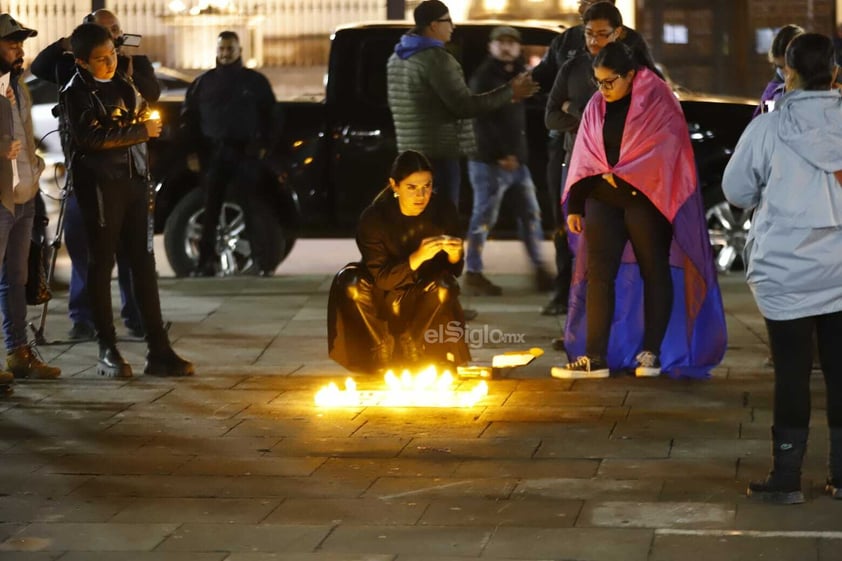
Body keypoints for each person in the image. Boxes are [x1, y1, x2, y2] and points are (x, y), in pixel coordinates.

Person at [551, 42, 726, 380]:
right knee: (599, 274)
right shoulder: (596, 106)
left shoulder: (658, 100)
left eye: (609, 81)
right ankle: (595, 357)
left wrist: (629, 178)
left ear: (630, 75)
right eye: (598, 82)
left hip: (647, 200)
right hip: (602, 200)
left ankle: (651, 352)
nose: (603, 89)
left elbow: (668, 152)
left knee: (654, 270)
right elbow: (585, 156)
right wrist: (575, 203)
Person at [723, 33, 842, 504]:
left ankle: (788, 476)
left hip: (786, 269)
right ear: (834, 74)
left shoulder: (767, 129)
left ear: (787, 73)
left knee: (791, 372)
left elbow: (736, 191)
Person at [60, 22, 193, 378]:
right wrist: (138, 131)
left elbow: (142, 110)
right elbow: (88, 138)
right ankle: (107, 346)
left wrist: (146, 134)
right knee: (101, 265)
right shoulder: (76, 91)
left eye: (112, 54)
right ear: (82, 62)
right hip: (102, 187)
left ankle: (158, 349)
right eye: (100, 59)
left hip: (135, 183)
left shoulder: (124, 83)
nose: (109, 63)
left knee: (144, 264)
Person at [30, 8, 159, 341]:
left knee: (136, 258)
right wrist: (68, 43)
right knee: (90, 253)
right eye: (103, 33)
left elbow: (150, 95)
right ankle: (86, 320)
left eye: (115, 32)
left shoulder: (130, 67)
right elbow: (40, 67)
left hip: (129, 176)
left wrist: (126, 67)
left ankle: (140, 319)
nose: (112, 38)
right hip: (89, 177)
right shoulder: (75, 79)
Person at [532, 0, 658, 317]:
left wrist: (584, 117)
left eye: (601, 34)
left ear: (618, 33)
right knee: (574, 236)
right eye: (589, 34)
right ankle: (574, 306)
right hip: (577, 164)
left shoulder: (633, 68)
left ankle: (619, 317)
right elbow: (550, 115)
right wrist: (584, 121)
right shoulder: (572, 65)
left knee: (616, 247)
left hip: (621, 169)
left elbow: (650, 104)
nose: (593, 41)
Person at [328, 150, 470, 372]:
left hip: (422, 294)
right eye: (411, 187)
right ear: (395, 185)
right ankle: (380, 347)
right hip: (382, 293)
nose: (421, 195)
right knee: (349, 282)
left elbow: (453, 271)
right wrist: (417, 257)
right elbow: (382, 279)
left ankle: (413, 343)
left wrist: (455, 254)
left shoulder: (442, 209)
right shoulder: (375, 218)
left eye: (427, 186)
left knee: (446, 286)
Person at [386, 0, 538, 207]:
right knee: (443, 219)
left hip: (410, 154)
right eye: (448, 21)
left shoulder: (397, 57)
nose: (453, 26)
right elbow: (464, 106)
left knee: (418, 216)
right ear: (433, 25)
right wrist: (511, 91)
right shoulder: (437, 59)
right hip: (439, 154)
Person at [464, 26, 553, 296]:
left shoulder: (517, 74)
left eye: (511, 43)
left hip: (517, 162)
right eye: (500, 42)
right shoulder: (484, 77)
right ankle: (474, 272)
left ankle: (540, 270)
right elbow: (480, 120)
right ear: (491, 47)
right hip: (489, 162)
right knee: (483, 218)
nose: (506, 47)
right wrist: (502, 154)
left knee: (531, 216)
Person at [181, 30, 276, 277]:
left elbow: (272, 115)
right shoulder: (203, 83)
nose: (225, 53)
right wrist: (192, 152)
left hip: (246, 153)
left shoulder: (255, 82)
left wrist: (264, 145)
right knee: (210, 211)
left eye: (230, 49)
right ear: (216, 51)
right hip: (213, 154)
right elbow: (189, 120)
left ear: (239, 51)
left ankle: (260, 264)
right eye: (222, 49)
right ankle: (205, 265)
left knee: (251, 210)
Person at [0, 14, 61, 381]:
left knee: (17, 277)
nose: (19, 50)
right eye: (11, 43)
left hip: (24, 195)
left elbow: (25, 133)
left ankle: (18, 351)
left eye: (21, 43)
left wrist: (35, 168)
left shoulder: (20, 86)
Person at [753, 24, 804, 118]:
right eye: (780, 67)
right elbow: (759, 121)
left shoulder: (825, 87)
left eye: (790, 66)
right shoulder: (773, 91)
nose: (786, 73)